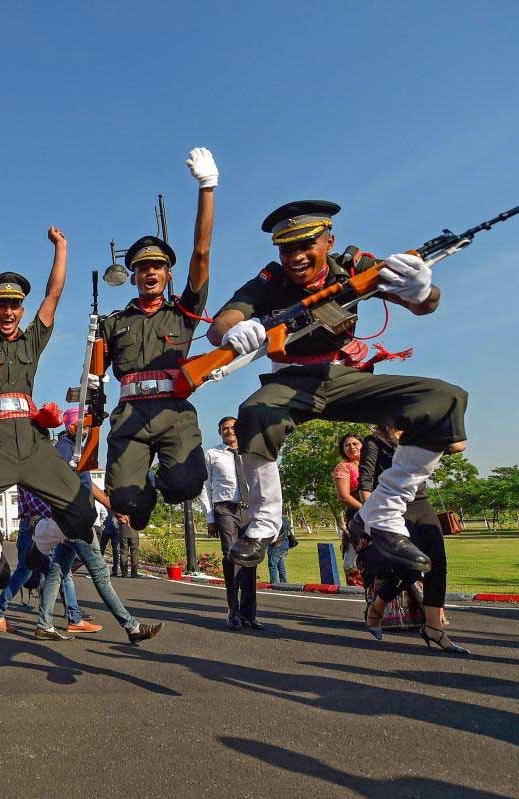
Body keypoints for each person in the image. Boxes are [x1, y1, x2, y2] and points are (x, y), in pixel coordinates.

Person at [208, 200, 468, 579]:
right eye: (286, 248)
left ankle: (384, 511)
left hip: (344, 374)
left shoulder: (354, 266)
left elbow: (421, 304)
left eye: (305, 245)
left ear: (329, 241)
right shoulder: (270, 280)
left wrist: (421, 288)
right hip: (290, 380)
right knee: (255, 413)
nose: (295, 256)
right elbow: (221, 323)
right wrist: (233, 331)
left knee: (443, 399)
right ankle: (265, 523)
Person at [0, 229, 97, 591]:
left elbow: (54, 294)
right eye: (1, 305)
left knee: (83, 513)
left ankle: (40, 548)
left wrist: (62, 247)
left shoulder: (31, 341)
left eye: (14, 305)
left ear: (21, 310)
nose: (8, 311)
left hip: (32, 444)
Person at [99, 148, 218, 530]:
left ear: (168, 275)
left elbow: (201, 254)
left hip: (172, 414)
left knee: (186, 485)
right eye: (142, 268)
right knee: (124, 502)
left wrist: (207, 188)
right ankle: (139, 492)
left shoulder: (182, 314)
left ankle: (157, 482)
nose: (150, 272)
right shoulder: (114, 323)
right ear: (132, 276)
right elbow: (92, 376)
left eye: (158, 267)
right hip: (130, 418)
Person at [27, 407, 162, 644]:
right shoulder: (65, 450)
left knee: (58, 571)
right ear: (71, 426)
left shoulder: (78, 450)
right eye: (84, 427)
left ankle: (44, 624)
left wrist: (114, 507)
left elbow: (89, 486)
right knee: (100, 574)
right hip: (77, 522)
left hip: (69, 521)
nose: (88, 431)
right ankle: (132, 626)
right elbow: (53, 485)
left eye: (89, 426)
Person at [358, 425, 465, 653]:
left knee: (438, 563)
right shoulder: (373, 442)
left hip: (422, 504)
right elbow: (366, 483)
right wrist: (372, 523)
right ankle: (377, 607)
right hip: (394, 507)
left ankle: (434, 628)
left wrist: (438, 425)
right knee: (412, 566)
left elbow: (457, 445)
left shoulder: (419, 435)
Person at [0, 483, 98, 637]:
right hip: (38, 526)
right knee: (57, 572)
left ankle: (67, 620)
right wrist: (63, 515)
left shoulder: (30, 468)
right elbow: (38, 504)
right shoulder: (31, 472)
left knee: (43, 573)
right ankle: (72, 620)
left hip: (36, 526)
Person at [198, 416, 260, 630]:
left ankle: (249, 615)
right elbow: (204, 487)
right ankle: (233, 611)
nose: (229, 431)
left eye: (233, 428)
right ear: (219, 432)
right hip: (225, 509)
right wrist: (210, 517)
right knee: (232, 558)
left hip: (249, 510)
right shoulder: (212, 454)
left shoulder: (251, 453)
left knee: (251, 559)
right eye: (225, 429)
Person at [333, 434, 364, 585]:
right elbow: (343, 496)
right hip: (358, 518)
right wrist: (366, 509)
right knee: (352, 563)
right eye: (347, 445)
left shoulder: (374, 464)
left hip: (384, 515)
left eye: (355, 443)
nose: (351, 447)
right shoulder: (343, 467)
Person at [268, 516, 292, 584]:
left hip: (276, 546)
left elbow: (272, 534)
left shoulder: (276, 520)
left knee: (272, 566)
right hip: (284, 546)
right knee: (281, 565)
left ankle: (274, 582)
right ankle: (284, 582)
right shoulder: (285, 521)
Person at [98, 511, 121, 576]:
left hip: (111, 530)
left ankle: (101, 568)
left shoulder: (106, 505)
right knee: (114, 551)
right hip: (111, 530)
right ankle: (114, 570)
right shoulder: (117, 506)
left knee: (113, 551)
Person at [117, 513, 140, 578]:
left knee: (123, 553)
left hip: (123, 531)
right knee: (134, 554)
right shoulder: (136, 508)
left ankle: (124, 573)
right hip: (134, 532)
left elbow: (116, 516)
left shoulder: (120, 507)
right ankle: (134, 573)